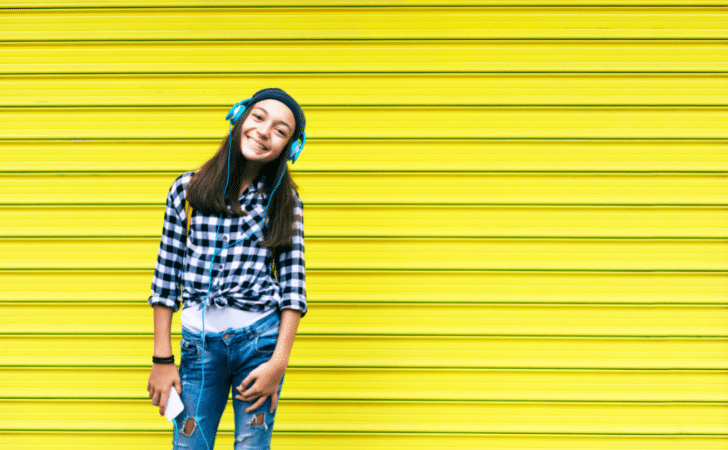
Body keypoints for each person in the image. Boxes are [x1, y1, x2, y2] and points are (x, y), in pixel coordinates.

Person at [146, 88, 307, 450]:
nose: (265, 132)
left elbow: (294, 287)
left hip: (259, 346)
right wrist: (162, 359)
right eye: (259, 117)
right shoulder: (187, 190)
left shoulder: (284, 200)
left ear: (290, 149)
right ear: (239, 118)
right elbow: (165, 277)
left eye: (281, 131)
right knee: (189, 445)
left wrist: (278, 364)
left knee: (252, 445)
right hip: (198, 349)